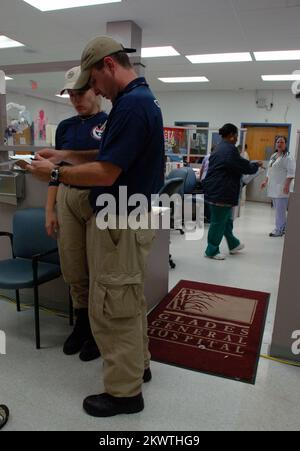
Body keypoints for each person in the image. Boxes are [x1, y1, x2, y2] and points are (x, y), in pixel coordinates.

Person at [26, 36, 165, 418]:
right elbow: (111, 154)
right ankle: (140, 365)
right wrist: (67, 154)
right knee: (129, 301)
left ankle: (124, 393)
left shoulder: (131, 106)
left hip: (119, 219)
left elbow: (107, 172)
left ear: (108, 65)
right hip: (127, 215)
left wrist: (54, 172)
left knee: (113, 306)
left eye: (94, 80)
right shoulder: (138, 100)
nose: (94, 90)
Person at [46, 66, 108, 362]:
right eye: (70, 94)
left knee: (99, 268)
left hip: (98, 198)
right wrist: (50, 208)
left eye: (80, 93)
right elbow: (55, 172)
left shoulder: (111, 123)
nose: (75, 99)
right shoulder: (65, 127)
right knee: (73, 265)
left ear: (95, 89)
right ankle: (81, 324)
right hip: (67, 196)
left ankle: (98, 330)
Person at [203, 123, 262, 260]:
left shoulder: (219, 147)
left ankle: (233, 244)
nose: (237, 139)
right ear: (231, 135)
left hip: (218, 189)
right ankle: (211, 250)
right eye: (236, 136)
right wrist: (254, 166)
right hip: (221, 191)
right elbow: (242, 166)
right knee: (218, 222)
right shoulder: (229, 150)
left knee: (226, 220)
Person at [261, 136, 295, 237]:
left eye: (282, 142)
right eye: (278, 142)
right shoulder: (274, 155)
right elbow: (269, 170)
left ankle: (279, 230)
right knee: (278, 209)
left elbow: (291, 173)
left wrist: (286, 186)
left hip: (282, 188)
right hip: (273, 187)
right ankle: (283, 227)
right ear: (275, 143)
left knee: (280, 210)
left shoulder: (288, 157)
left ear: (285, 144)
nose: (279, 144)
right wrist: (265, 181)